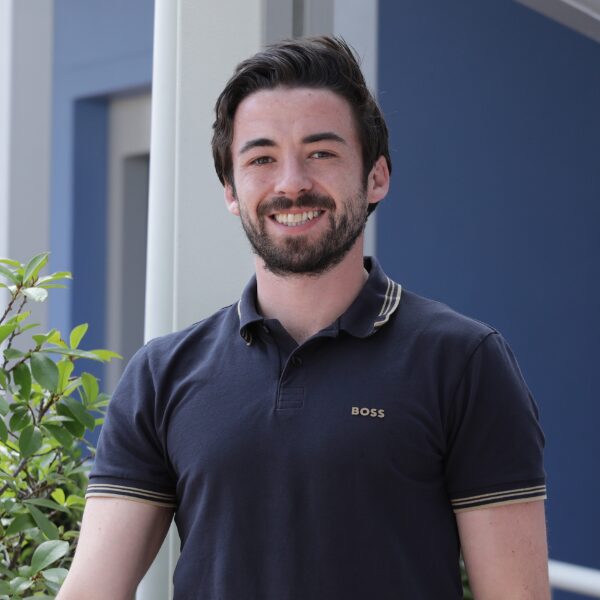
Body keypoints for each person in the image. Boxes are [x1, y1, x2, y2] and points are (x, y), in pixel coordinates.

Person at [58, 36, 549, 599]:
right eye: (261, 159)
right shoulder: (161, 375)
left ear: (376, 177)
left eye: (321, 153)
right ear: (231, 191)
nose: (291, 182)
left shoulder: (463, 362)